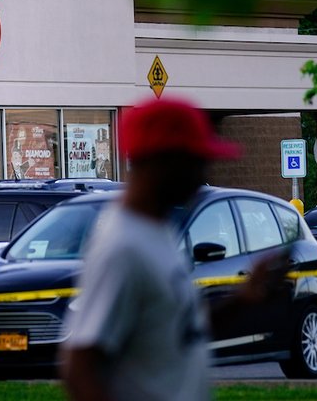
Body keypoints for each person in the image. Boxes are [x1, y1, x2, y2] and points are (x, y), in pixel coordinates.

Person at [60, 97, 288, 401]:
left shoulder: (158, 229)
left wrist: (244, 298)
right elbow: (80, 366)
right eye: (196, 163)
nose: (202, 177)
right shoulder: (123, 247)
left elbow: (177, 330)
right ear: (162, 163)